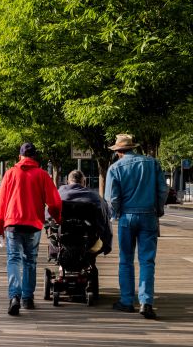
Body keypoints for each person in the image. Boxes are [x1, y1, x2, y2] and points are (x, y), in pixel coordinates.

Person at [0, 142, 62, 316]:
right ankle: (27, 298)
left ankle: (14, 297)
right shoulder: (42, 175)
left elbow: (1, 203)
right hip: (33, 224)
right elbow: (54, 201)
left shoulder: (10, 174)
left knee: (13, 260)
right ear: (34, 157)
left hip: (12, 224)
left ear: (20, 156)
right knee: (30, 260)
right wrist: (58, 218)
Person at [105, 134, 168, 319]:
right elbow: (163, 190)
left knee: (126, 260)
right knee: (147, 261)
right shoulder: (152, 163)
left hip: (127, 217)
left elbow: (112, 198)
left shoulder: (115, 168)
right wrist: (158, 209)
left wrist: (115, 214)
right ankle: (146, 303)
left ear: (118, 152)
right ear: (133, 148)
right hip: (148, 215)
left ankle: (126, 301)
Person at [59, 170, 112, 256]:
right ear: (83, 182)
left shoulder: (59, 194)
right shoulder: (94, 196)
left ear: (68, 181)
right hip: (88, 236)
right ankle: (105, 246)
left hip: (63, 234)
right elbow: (104, 215)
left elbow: (48, 214)